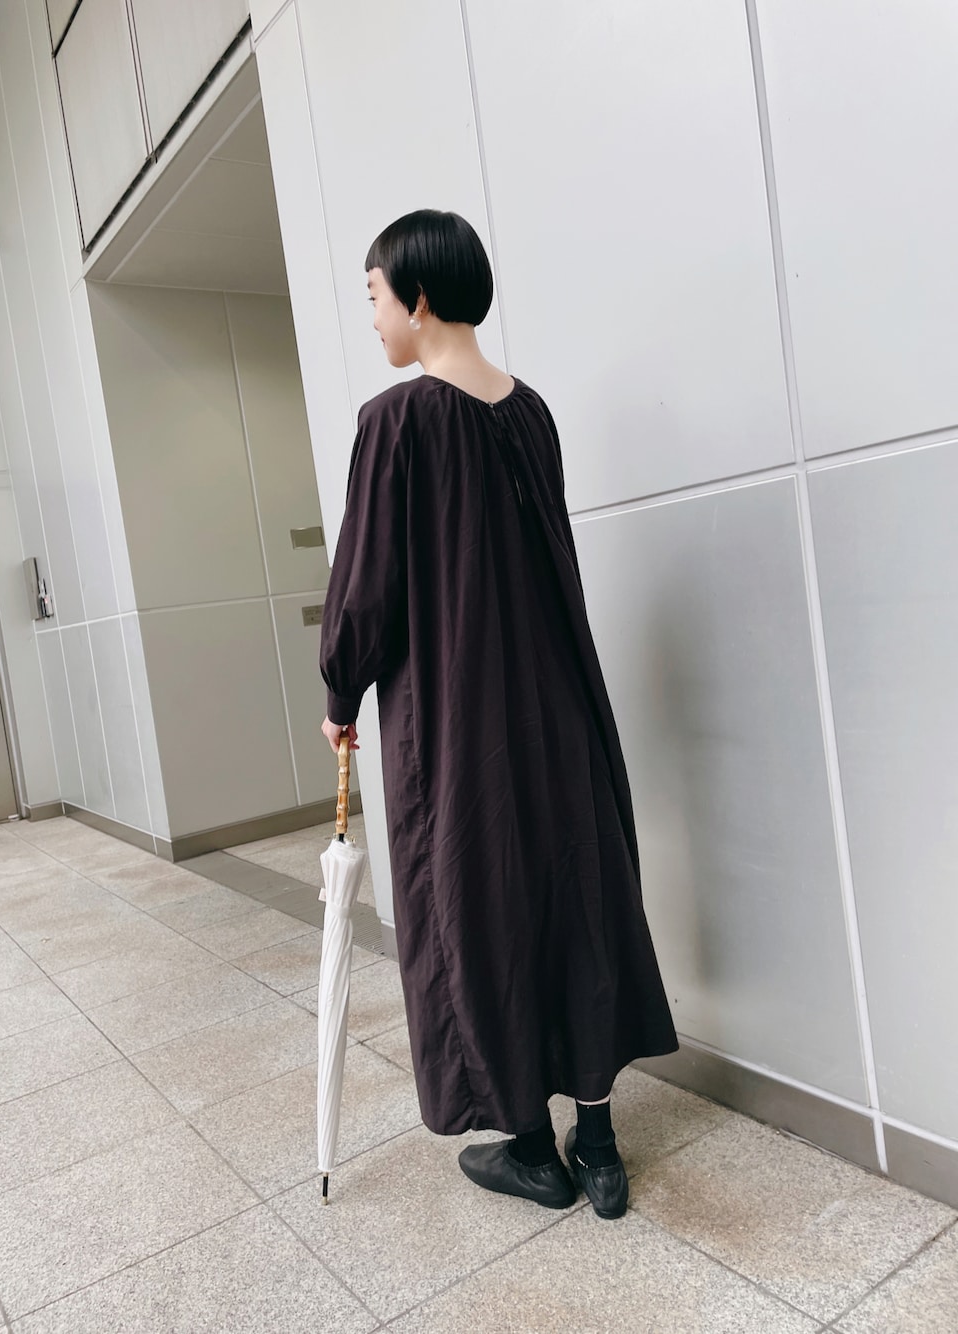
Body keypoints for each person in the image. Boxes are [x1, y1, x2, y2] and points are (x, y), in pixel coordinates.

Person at [320, 209, 677, 1220]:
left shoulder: (396, 421)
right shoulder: (532, 413)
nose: (374, 319)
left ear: (419, 297)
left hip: (457, 716)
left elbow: (367, 586)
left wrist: (340, 691)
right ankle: (598, 1146)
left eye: (375, 298)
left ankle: (529, 1148)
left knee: (478, 909)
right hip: (560, 707)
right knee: (576, 899)